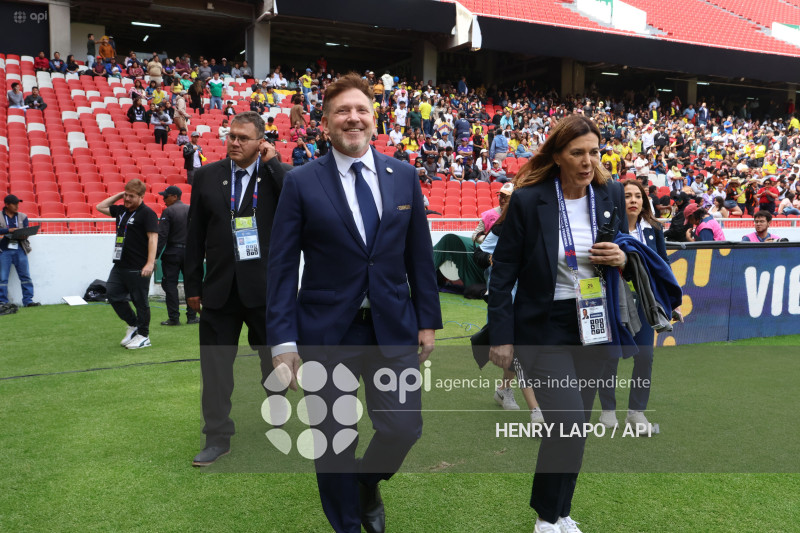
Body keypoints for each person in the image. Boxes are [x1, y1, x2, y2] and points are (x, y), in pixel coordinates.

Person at [266, 73, 442, 533]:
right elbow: (282, 267)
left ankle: (367, 483)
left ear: (374, 117)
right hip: (326, 332)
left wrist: (428, 321)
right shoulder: (301, 182)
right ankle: (346, 525)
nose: (353, 117)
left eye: (361, 109)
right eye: (342, 111)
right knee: (333, 440)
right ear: (325, 123)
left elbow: (419, 256)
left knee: (404, 428)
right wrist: (283, 341)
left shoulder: (403, 176)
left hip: (393, 327)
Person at [487, 115, 629, 533]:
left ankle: (561, 511)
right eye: (577, 153)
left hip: (594, 322)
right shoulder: (530, 200)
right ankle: (546, 519)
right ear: (558, 156)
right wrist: (502, 336)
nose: (588, 162)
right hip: (545, 325)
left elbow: (624, 249)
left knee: (577, 427)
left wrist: (621, 258)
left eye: (594, 152)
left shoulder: (610, 194)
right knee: (566, 422)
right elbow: (504, 271)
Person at [184, 112, 287, 467]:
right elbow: (194, 235)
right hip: (219, 291)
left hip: (265, 291)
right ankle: (217, 437)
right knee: (214, 369)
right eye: (231, 136)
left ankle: (276, 400)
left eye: (243, 138)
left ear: (261, 143)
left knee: (272, 361)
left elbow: (296, 195)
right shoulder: (207, 176)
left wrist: (272, 164)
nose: (234, 143)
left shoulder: (275, 177)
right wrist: (192, 285)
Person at [598, 179, 669, 432]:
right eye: (627, 196)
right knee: (611, 357)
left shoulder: (654, 229)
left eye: (638, 196)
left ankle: (636, 413)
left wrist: (672, 302)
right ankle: (608, 411)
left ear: (644, 201)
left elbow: (663, 267)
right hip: (614, 302)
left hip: (645, 303)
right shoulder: (608, 228)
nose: (633, 200)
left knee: (645, 357)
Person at [96, 180, 159, 350]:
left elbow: (153, 238)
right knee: (113, 294)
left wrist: (150, 263)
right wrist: (119, 195)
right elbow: (100, 207)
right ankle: (134, 325)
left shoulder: (147, 213)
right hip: (119, 265)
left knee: (140, 302)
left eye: (132, 196)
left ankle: (144, 336)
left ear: (141, 197)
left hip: (138, 266)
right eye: (126, 195)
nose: (127, 199)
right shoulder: (121, 210)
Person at [156, 186, 198, 326]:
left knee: (170, 285)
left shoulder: (168, 211)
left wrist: (154, 256)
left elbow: (162, 236)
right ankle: (192, 317)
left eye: (166, 196)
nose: (163, 199)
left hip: (172, 253)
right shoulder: (190, 210)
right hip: (190, 254)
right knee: (190, 285)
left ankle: (174, 318)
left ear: (174, 196)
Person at [0, 195, 39, 308]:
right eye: (14, 203)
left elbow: (26, 230)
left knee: (25, 276)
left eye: (18, 203)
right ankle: (2, 302)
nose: (17, 206)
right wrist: (9, 230)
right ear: (7, 205)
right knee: (3, 277)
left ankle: (28, 301)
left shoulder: (23, 216)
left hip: (20, 249)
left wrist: (24, 235)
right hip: (4, 250)